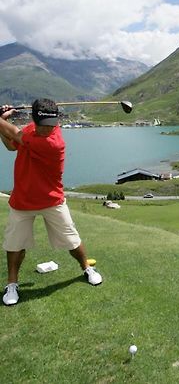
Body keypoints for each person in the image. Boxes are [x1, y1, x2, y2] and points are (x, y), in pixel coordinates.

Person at [0, 99, 102, 306]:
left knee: (72, 240)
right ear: (35, 120)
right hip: (23, 199)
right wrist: (1, 124)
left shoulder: (54, 143)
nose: (49, 128)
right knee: (14, 245)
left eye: (52, 123)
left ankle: (87, 268)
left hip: (51, 199)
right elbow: (11, 145)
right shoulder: (29, 131)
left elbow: (15, 135)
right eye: (44, 124)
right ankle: (12, 284)